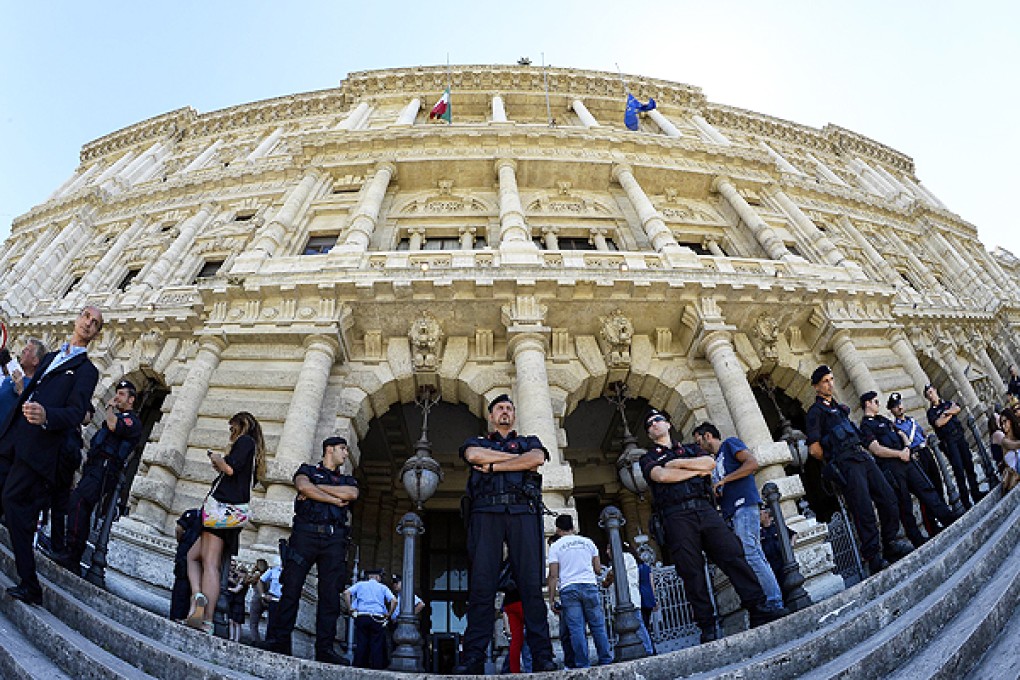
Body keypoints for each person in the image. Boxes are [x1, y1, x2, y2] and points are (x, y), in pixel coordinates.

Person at [638, 408, 779, 643]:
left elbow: (709, 464)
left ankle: (758, 607)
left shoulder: (691, 448)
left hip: (705, 509)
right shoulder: (648, 457)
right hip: (675, 516)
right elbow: (661, 477)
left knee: (733, 554)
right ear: (649, 433)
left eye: (658, 420)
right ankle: (708, 626)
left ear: (668, 424)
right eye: (649, 424)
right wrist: (691, 469)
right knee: (691, 571)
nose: (654, 424)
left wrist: (676, 464)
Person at [0, 306, 102, 605]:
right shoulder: (51, 356)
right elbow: (28, 389)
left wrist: (47, 415)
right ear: (77, 318)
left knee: (13, 504)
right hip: (12, 438)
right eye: (86, 316)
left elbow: (74, 413)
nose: (88, 323)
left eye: (95, 323)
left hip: (39, 449)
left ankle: (30, 584)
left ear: (96, 333)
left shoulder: (87, 371)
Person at [454, 393, 557, 674]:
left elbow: (536, 459)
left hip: (522, 513)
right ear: (490, 415)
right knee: (481, 587)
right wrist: (515, 460)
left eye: (509, 408)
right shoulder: (478, 442)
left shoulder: (529, 442)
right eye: (500, 408)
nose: (505, 412)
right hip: (486, 513)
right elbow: (473, 456)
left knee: (531, 587)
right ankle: (473, 657)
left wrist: (492, 466)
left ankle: (542, 657)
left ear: (514, 415)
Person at [259, 436, 358, 663]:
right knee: (290, 588)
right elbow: (302, 486)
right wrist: (334, 499)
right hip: (305, 535)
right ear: (329, 449)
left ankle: (325, 649)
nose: (346, 454)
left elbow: (352, 495)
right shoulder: (307, 470)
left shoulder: (348, 480)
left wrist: (317, 489)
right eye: (343, 449)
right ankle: (279, 641)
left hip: (334, 539)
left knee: (330, 596)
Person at [805, 365, 912, 575]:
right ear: (817, 386)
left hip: (862, 456)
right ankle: (873, 556)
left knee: (888, 497)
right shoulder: (815, 412)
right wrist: (835, 460)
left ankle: (890, 543)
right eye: (825, 381)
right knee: (863, 509)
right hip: (846, 463)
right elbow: (814, 449)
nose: (830, 384)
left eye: (831, 379)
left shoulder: (841, 409)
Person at [185, 411, 266, 633]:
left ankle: (206, 619)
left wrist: (217, 459)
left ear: (242, 425)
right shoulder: (253, 451)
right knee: (192, 556)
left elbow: (230, 469)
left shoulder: (245, 442)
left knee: (210, 563)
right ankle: (197, 597)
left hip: (222, 510)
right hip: (226, 514)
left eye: (232, 428)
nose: (231, 433)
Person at [693, 422, 786, 614]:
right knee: (752, 554)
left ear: (708, 435)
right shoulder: (716, 460)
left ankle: (774, 600)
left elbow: (752, 463)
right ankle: (771, 598)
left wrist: (724, 480)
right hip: (733, 511)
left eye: (699, 441)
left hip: (744, 505)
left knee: (751, 553)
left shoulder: (730, 444)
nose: (699, 446)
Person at [56, 379, 143, 572]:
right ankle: (73, 555)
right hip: (95, 468)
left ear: (131, 400)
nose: (117, 397)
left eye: (122, 394)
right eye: (117, 393)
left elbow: (113, 427)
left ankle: (72, 553)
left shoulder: (131, 420)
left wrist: (110, 408)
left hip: (104, 471)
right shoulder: (119, 417)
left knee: (78, 503)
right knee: (82, 509)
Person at [858, 391, 958, 547]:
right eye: (875, 401)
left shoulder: (883, 419)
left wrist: (906, 447)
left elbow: (900, 433)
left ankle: (948, 518)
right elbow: (876, 449)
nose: (878, 404)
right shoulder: (865, 426)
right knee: (905, 505)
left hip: (907, 461)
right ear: (867, 404)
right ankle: (917, 540)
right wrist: (899, 454)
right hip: (892, 468)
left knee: (927, 489)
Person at [546, 514, 612, 668]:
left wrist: (551, 599)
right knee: (598, 626)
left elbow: (553, 575)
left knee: (576, 629)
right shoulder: (588, 542)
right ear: (573, 527)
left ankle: (583, 663)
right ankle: (606, 660)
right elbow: (597, 569)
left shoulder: (556, 546)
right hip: (589, 585)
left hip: (569, 589)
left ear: (557, 529)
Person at [924, 384, 985, 509]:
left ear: (935, 390)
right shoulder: (931, 412)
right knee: (958, 471)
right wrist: (949, 412)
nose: (931, 395)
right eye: (928, 394)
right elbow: (938, 423)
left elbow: (957, 409)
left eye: (931, 392)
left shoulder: (947, 403)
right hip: (949, 441)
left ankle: (976, 492)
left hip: (959, 437)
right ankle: (965, 501)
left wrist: (946, 413)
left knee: (969, 465)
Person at [45, 402, 92, 556]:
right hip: (58, 474)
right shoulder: (70, 426)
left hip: (62, 476)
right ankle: (56, 546)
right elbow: (69, 452)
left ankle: (56, 546)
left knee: (58, 511)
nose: (90, 419)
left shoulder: (75, 427)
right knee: (55, 508)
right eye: (89, 415)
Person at [603, 541, 655, 656]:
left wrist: (606, 580)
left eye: (608, 549)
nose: (606, 552)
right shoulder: (617, 560)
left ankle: (648, 650)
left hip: (630, 599)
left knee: (639, 626)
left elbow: (611, 575)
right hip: (619, 602)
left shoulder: (625, 557)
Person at [344, 568, 396, 669]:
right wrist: (389, 614)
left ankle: (358, 666)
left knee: (361, 642)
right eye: (380, 577)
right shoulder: (383, 587)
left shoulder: (360, 585)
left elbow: (346, 593)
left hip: (362, 616)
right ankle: (376, 667)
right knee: (376, 644)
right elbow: (394, 600)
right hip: (377, 618)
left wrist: (350, 608)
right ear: (376, 577)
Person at [0, 338, 46, 426]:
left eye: (28, 350)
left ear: (35, 361)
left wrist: (21, 389)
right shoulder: (11, 377)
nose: (23, 351)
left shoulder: (35, 385)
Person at [169, 507, 202, 622]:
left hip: (184, 555)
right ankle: (186, 616)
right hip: (198, 560)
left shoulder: (193, 513)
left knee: (180, 587)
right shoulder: (211, 520)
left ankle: (177, 616)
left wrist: (182, 542)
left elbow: (179, 529)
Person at [258, 555, 283, 638]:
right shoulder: (274, 570)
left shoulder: (292, 572)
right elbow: (261, 580)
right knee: (272, 623)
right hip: (274, 599)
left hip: (285, 601)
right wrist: (263, 595)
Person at [246, 558, 270, 642]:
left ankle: (255, 640)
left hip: (257, 598)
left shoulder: (257, 575)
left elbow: (247, 581)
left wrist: (252, 571)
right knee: (270, 622)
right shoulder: (268, 574)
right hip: (268, 598)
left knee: (253, 622)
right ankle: (268, 640)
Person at [227, 562, 249, 642]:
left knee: (237, 622)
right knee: (231, 621)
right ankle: (231, 637)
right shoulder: (239, 580)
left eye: (240, 572)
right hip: (235, 602)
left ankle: (237, 638)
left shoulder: (244, 582)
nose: (238, 573)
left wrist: (228, 588)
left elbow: (236, 590)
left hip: (239, 603)